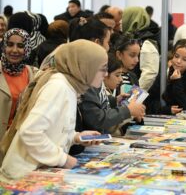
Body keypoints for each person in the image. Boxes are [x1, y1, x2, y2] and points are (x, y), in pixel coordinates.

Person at [0, 40, 107, 181]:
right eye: (102, 68)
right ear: (85, 66)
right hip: (23, 175)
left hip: (36, 174)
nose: (105, 74)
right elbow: (30, 132)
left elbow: (54, 129)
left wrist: (76, 137)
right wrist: (63, 159)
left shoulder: (69, 86)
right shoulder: (59, 87)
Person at [146, 39, 186, 115]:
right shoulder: (166, 73)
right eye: (176, 56)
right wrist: (166, 110)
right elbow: (148, 102)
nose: (178, 61)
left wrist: (176, 82)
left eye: (184, 59)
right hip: (164, 120)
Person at [0, 28, 37, 139]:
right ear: (3, 47)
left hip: (20, 141)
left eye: (20, 46)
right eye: (10, 44)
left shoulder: (34, 74)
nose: (14, 50)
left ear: (27, 49)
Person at [122, 6, 160, 91]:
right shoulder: (133, 37)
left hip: (140, 99)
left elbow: (149, 74)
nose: (121, 21)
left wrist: (133, 96)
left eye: (124, 17)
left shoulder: (146, 41)